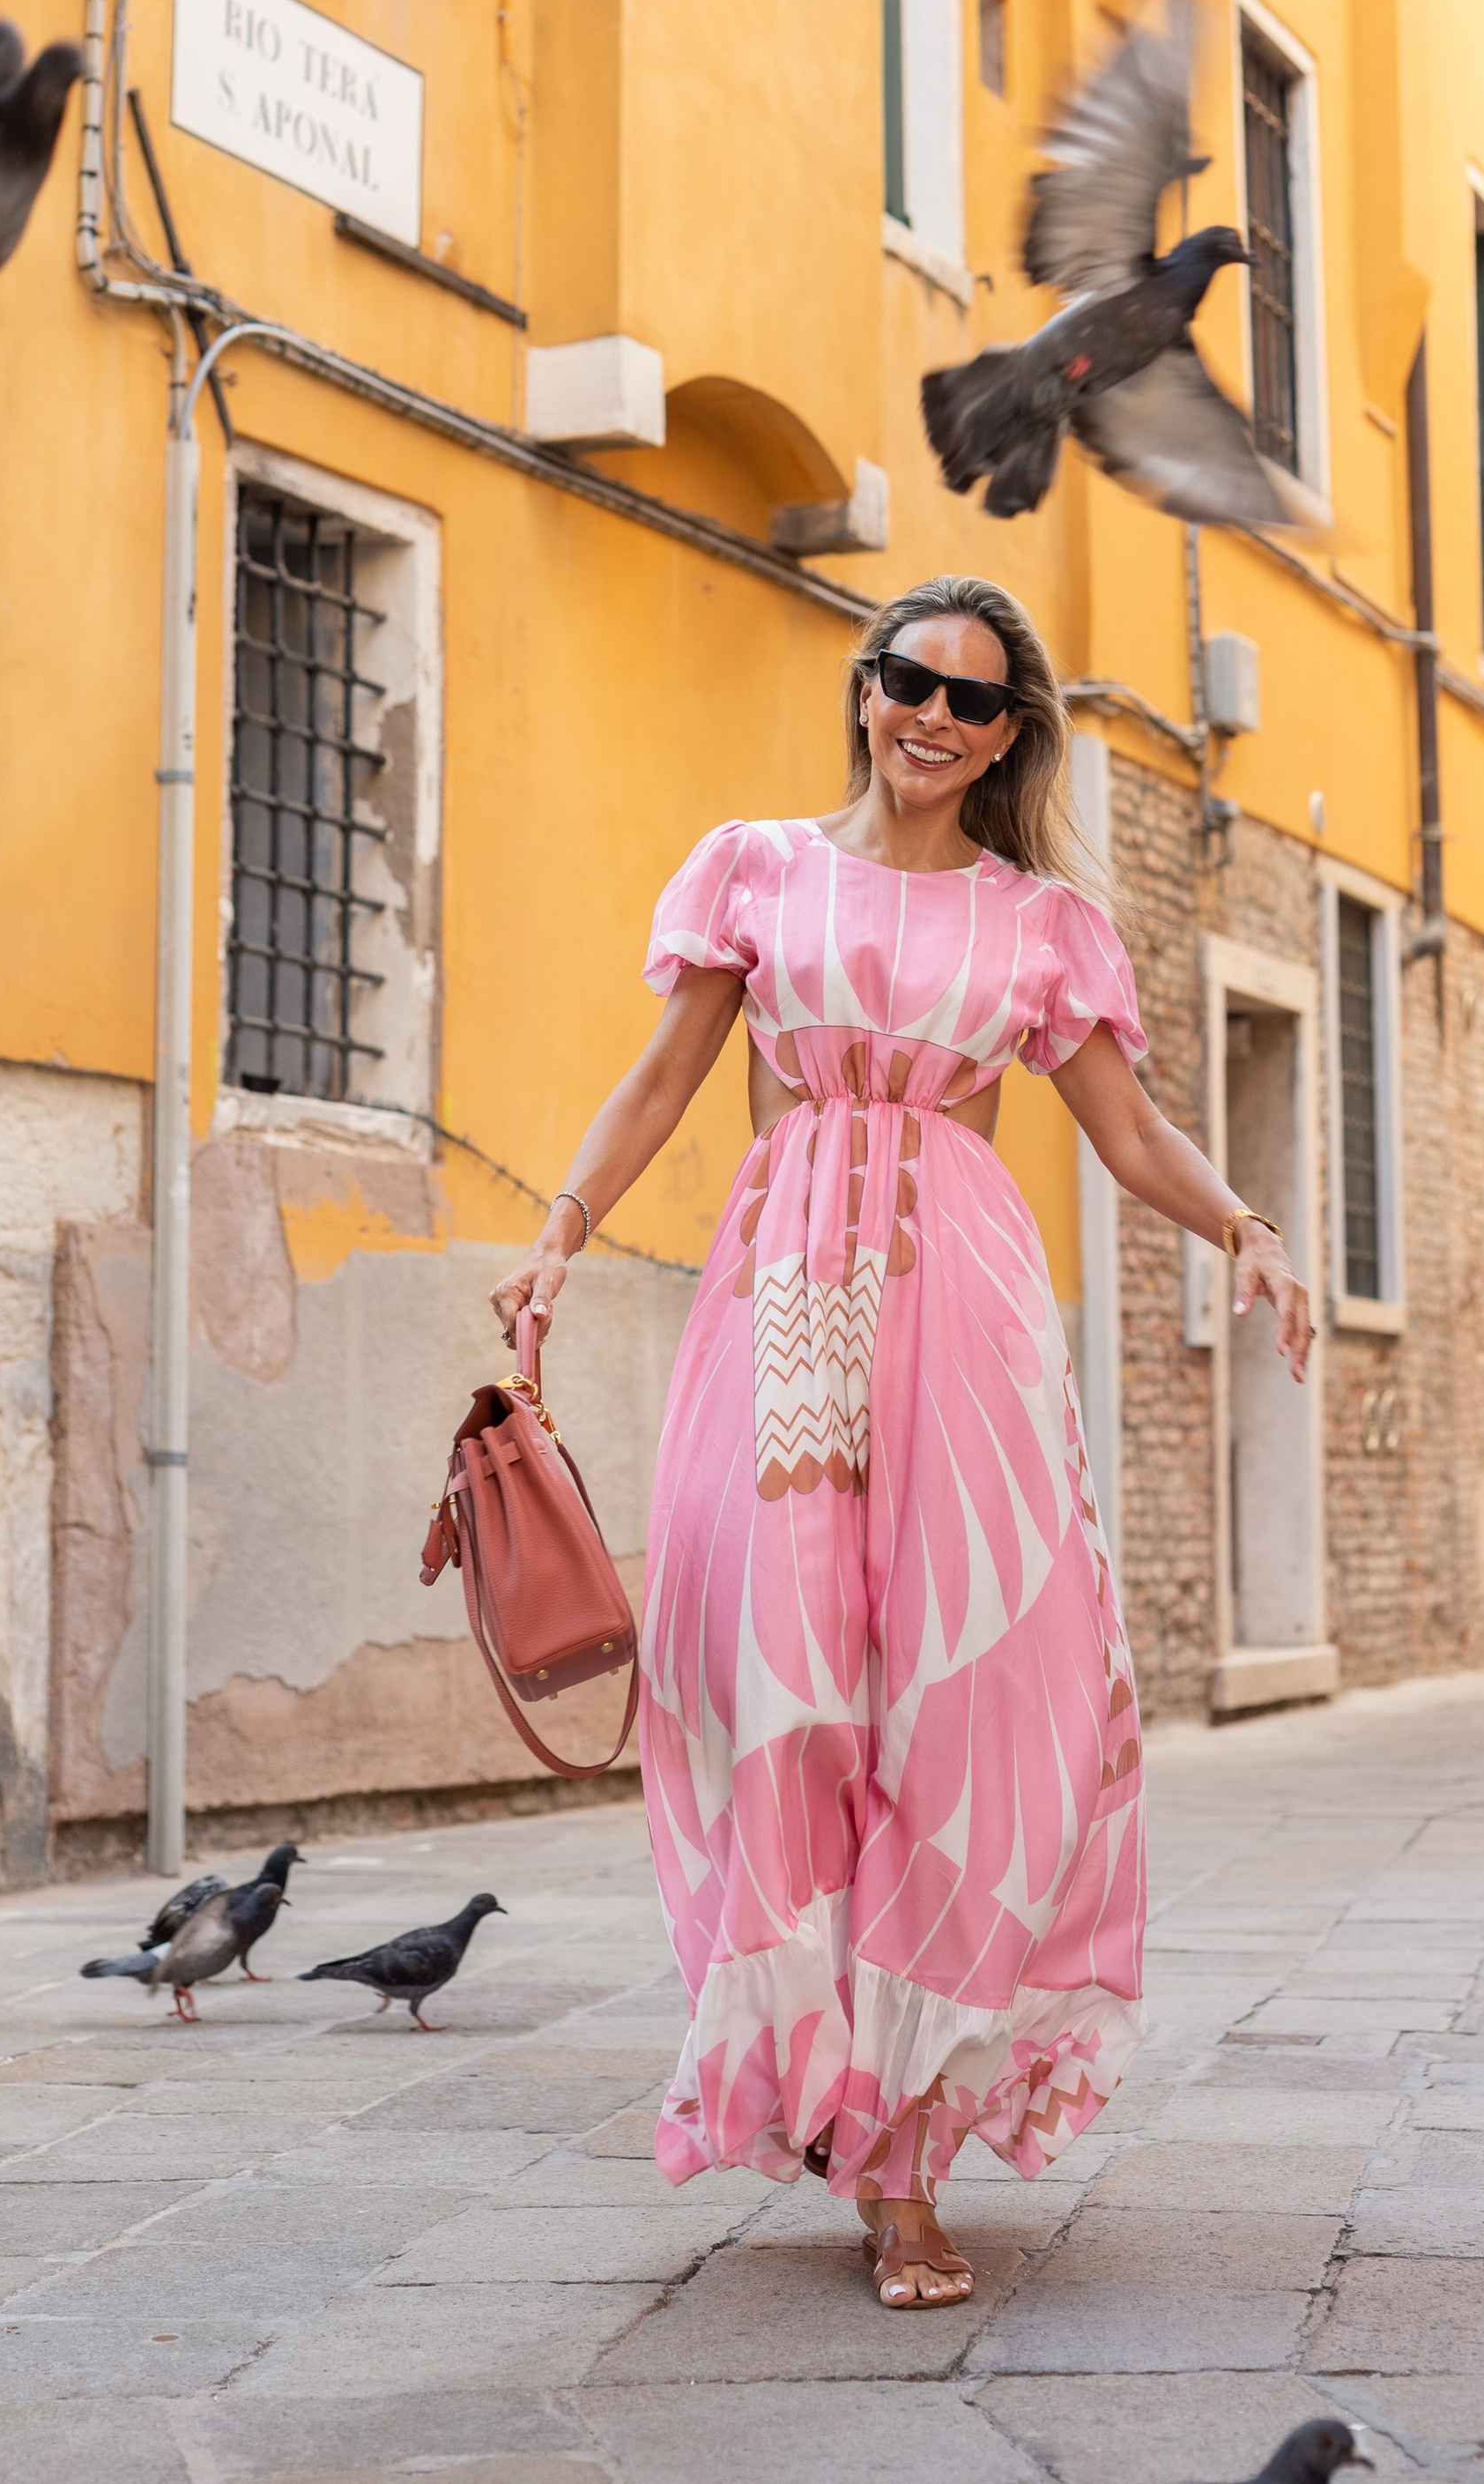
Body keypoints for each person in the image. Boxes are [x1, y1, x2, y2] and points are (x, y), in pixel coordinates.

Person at [488, 575, 1311, 2309]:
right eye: (911, 682)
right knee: (778, 1691)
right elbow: (656, 1081)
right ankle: (818, 2079)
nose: (937, 716)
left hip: (963, 1325)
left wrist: (1242, 1224)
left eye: (978, 701)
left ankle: (904, 2164)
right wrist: (559, 1226)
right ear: (863, 693)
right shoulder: (753, 870)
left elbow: (1124, 1128)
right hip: (780, 1315)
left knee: (959, 1703)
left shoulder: (1035, 925)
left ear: (1009, 736)